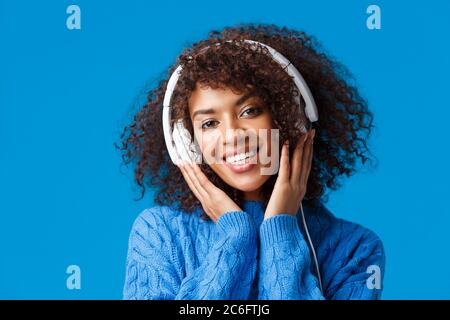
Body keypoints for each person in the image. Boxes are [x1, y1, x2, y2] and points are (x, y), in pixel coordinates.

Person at [117, 23, 385, 300]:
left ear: (290, 117)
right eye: (209, 123)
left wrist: (280, 228)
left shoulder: (356, 249)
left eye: (250, 111)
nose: (233, 136)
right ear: (187, 143)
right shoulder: (160, 234)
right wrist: (235, 235)